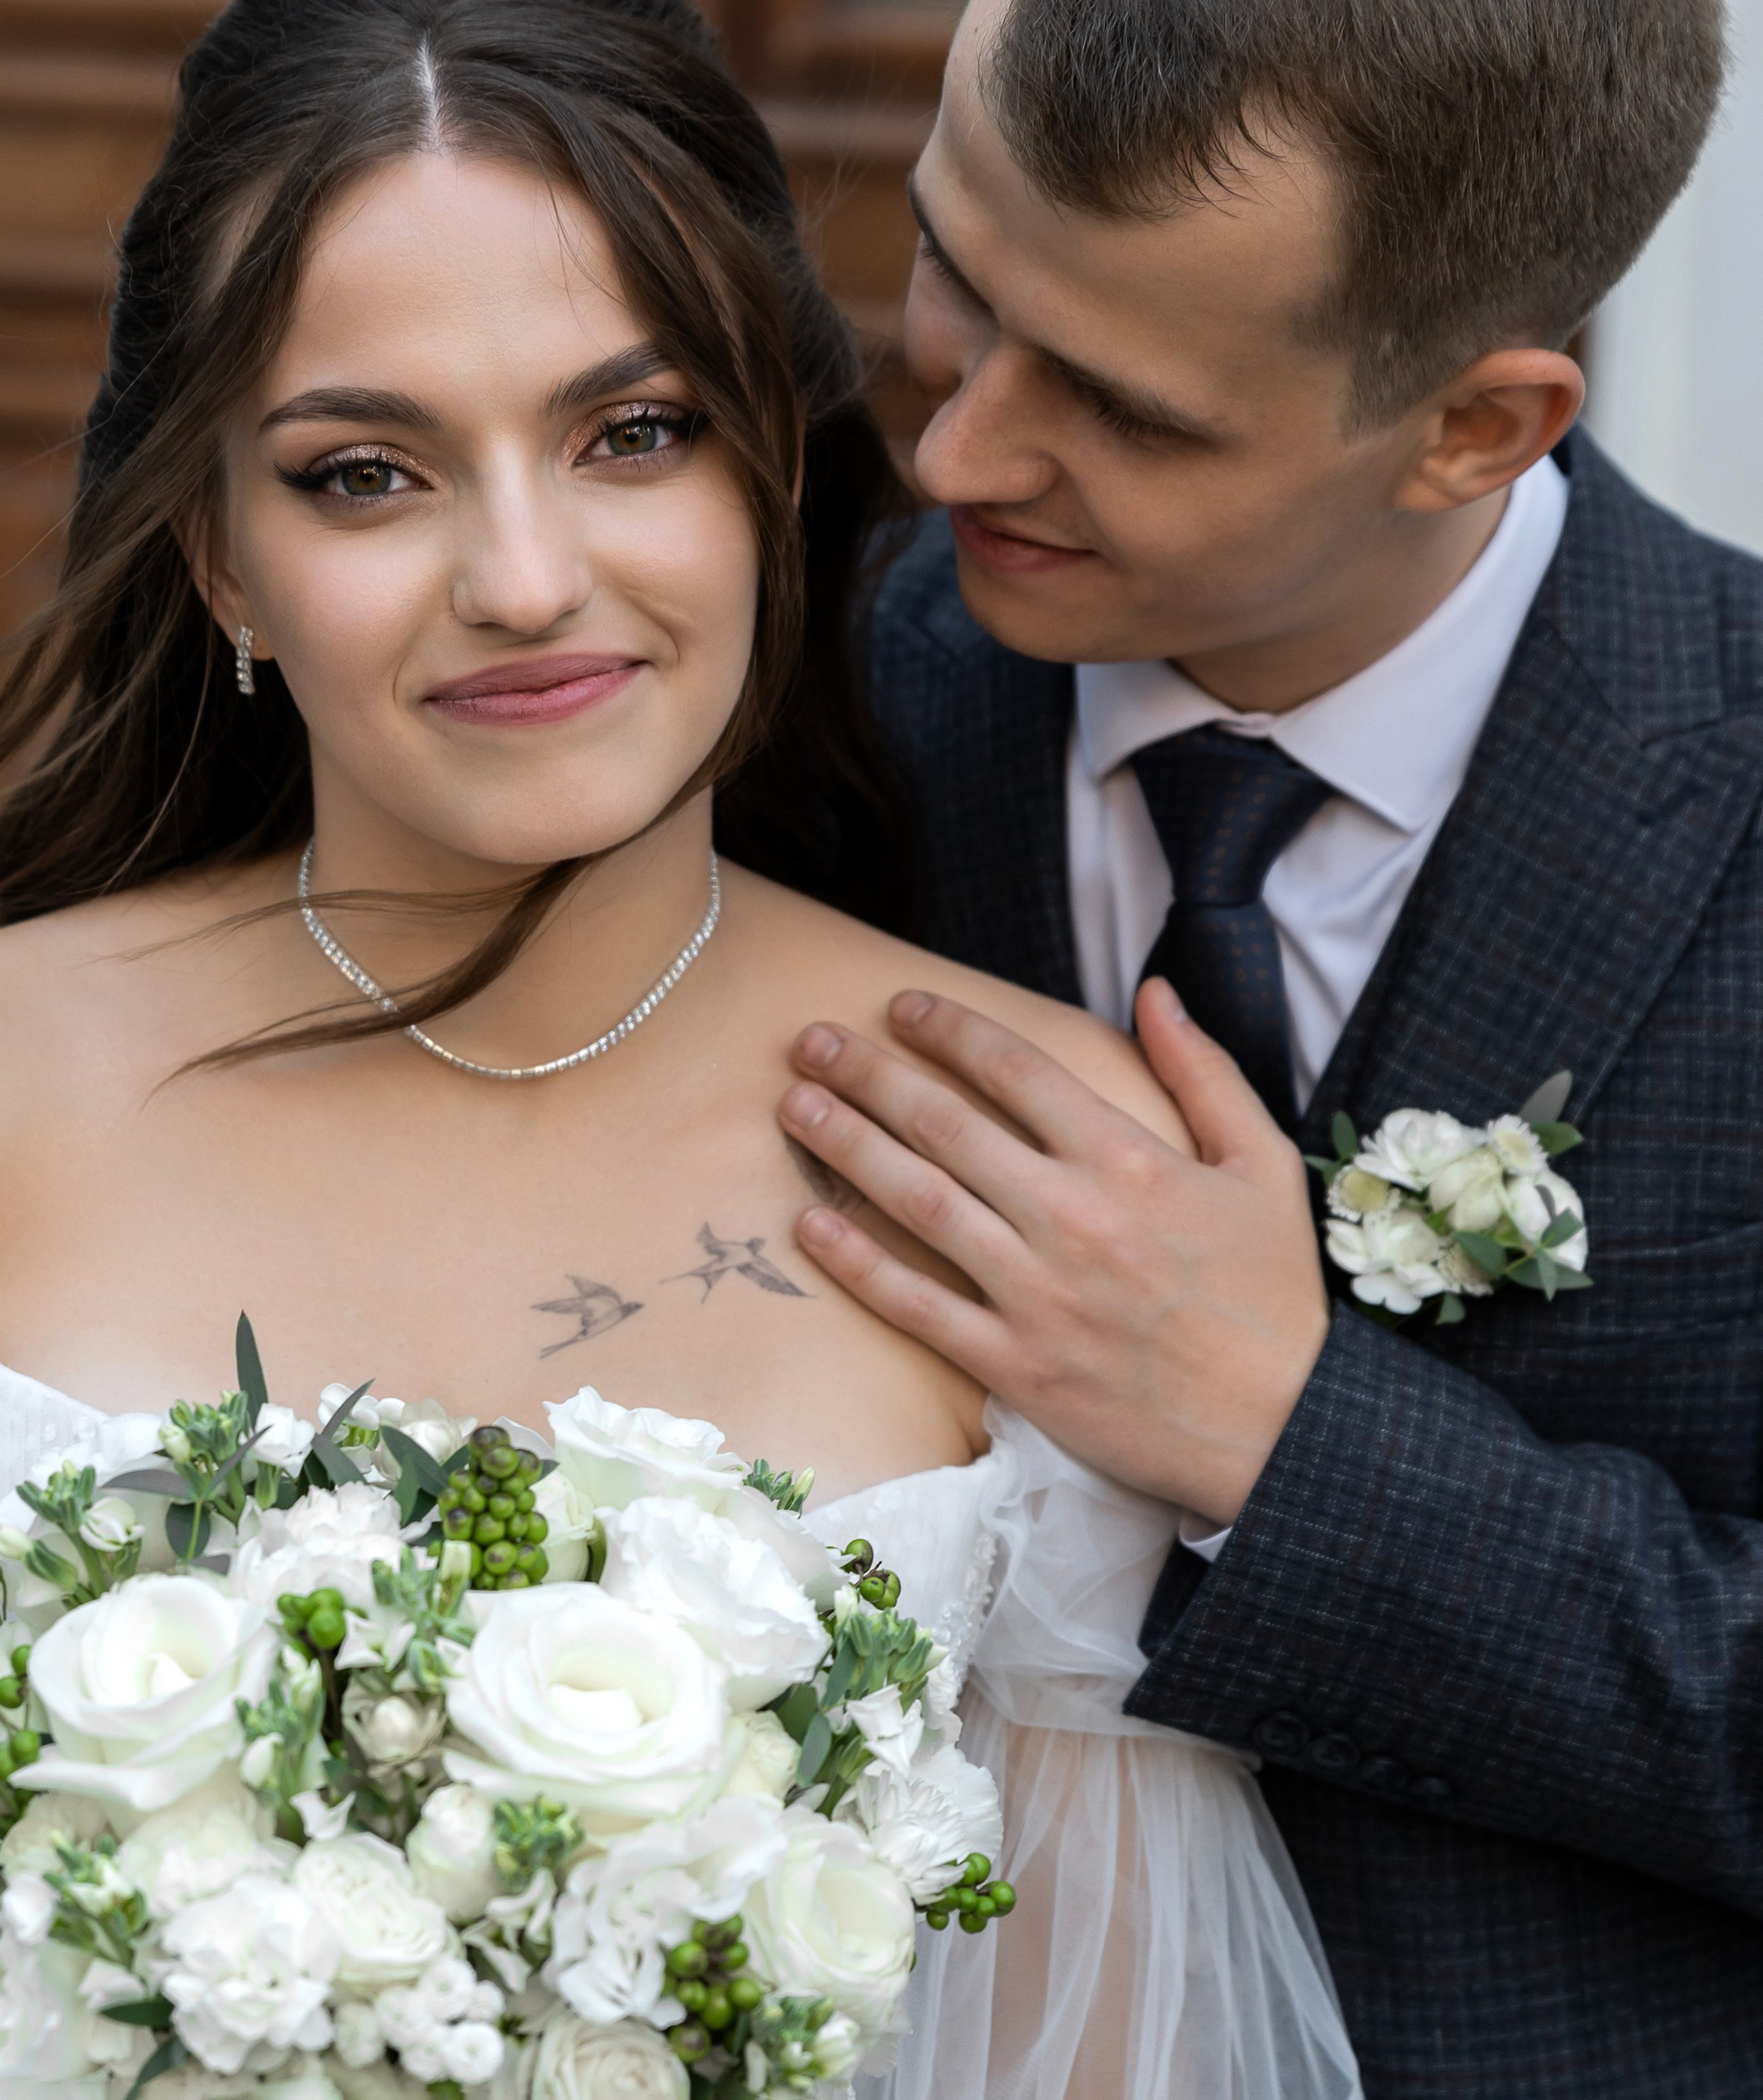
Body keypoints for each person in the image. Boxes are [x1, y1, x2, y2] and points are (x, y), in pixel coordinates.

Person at [0, 4, 1364, 2098]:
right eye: (363, 474)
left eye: (628, 433)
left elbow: (1097, 2040)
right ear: (221, 558)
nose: (526, 577)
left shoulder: (1028, 1157)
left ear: (764, 479)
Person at [766, 2, 1761, 2096]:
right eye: (957, 269)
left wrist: (1290, 1436)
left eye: (1122, 405)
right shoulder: (779, 700)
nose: (951, 448)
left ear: (1472, 428)